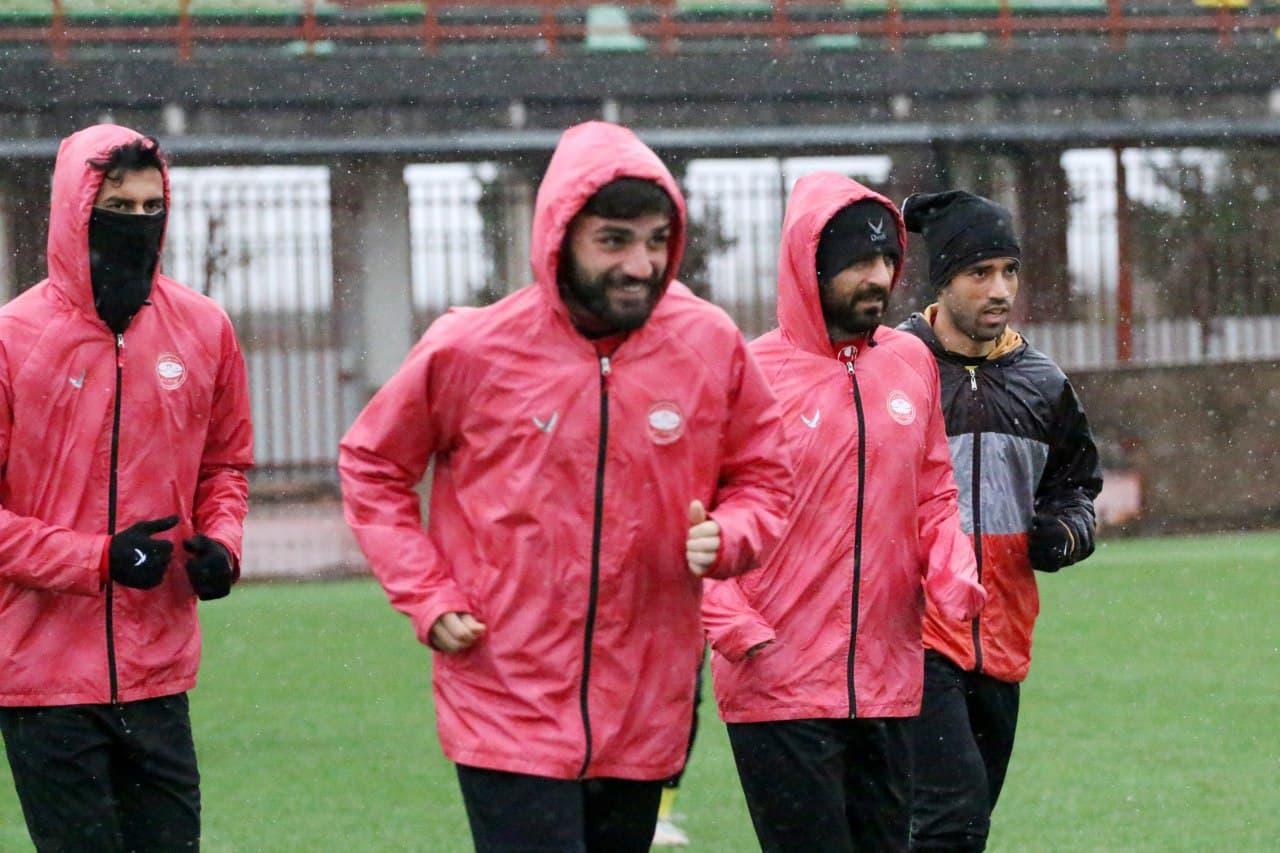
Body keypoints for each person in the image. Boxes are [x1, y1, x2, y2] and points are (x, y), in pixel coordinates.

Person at [338, 120, 793, 853]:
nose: (641, 264)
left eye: (655, 241)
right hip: (504, 697)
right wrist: (427, 594)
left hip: (645, 703)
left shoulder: (710, 343)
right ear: (559, 236)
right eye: (613, 241)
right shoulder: (472, 347)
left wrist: (734, 534)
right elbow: (372, 465)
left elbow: (765, 475)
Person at [702, 172, 986, 852]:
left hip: (889, 679)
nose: (878, 277)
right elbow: (699, 513)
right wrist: (731, 619)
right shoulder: (748, 374)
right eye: (858, 261)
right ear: (811, 267)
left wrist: (951, 566)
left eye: (887, 259)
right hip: (776, 679)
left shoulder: (912, 361)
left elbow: (933, 490)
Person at [0, 124, 254, 851]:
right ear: (76, 210)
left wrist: (223, 545)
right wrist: (97, 558)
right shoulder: (12, 339)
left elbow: (224, 466)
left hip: (157, 675)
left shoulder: (205, 328)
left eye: (151, 207)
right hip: (42, 681)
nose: (137, 222)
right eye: (118, 207)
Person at [898, 190, 1102, 851]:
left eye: (1009, 271)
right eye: (979, 272)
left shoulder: (1044, 383)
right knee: (951, 818)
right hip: (912, 633)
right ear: (942, 280)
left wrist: (1066, 532)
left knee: (959, 823)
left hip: (1004, 634)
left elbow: (1077, 489)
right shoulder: (891, 368)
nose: (1000, 289)